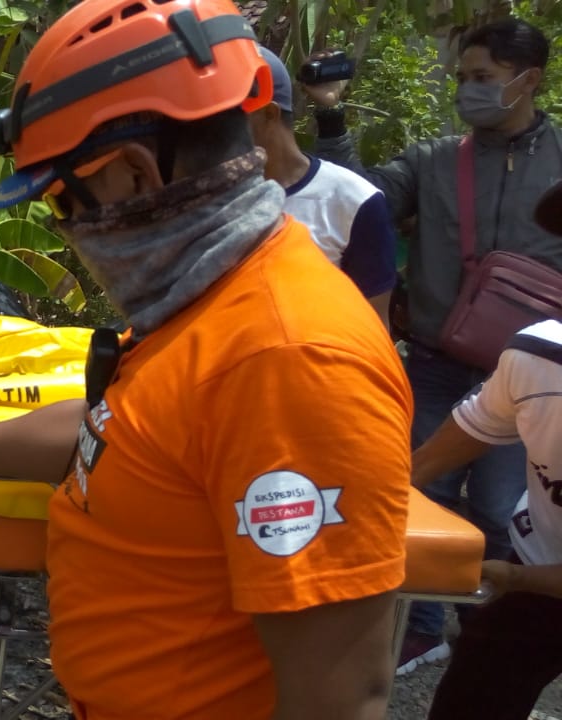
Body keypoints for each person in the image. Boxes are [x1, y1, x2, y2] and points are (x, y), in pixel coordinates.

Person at [0, 0, 412, 717]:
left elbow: (336, 698)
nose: (67, 227)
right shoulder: (210, 302)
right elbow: (121, 431)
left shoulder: (285, 356)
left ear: (137, 174)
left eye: (62, 198)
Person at [303, 18, 562, 674]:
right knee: (423, 494)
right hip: (437, 362)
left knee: (503, 509)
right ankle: (421, 627)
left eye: (483, 79)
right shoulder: (435, 161)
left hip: (531, 372)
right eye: (463, 79)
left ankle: (492, 628)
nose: (467, 92)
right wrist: (331, 121)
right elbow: (360, 205)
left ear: (528, 80)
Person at [410, 182, 562, 720]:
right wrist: (384, 491)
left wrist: (511, 578)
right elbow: (472, 427)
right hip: (539, 563)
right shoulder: (539, 354)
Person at [249, 45, 397, 325]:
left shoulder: (355, 202)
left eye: (224, 118)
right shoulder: (205, 201)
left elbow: (374, 325)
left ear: (268, 115)